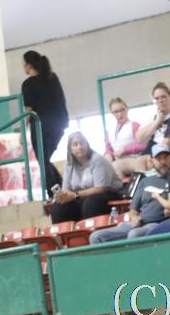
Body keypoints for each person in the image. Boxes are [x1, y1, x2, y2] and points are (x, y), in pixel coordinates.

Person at [90, 144, 170, 243]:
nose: (163, 162)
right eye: (159, 159)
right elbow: (133, 210)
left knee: (134, 234)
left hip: (159, 223)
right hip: (140, 223)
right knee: (96, 236)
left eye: (165, 158)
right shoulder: (145, 181)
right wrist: (134, 218)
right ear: (152, 161)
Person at [21, 50, 69, 194]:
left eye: (24, 64)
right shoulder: (52, 77)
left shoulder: (28, 84)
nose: (23, 67)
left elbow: (29, 111)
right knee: (45, 160)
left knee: (43, 161)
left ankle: (56, 193)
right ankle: (61, 189)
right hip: (59, 125)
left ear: (29, 65)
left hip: (41, 127)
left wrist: (23, 131)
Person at [50, 132, 122, 223]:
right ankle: (67, 232)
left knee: (91, 203)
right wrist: (62, 196)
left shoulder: (97, 159)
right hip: (81, 198)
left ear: (87, 145)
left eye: (82, 143)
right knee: (58, 207)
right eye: (75, 144)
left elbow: (102, 188)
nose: (79, 147)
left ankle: (93, 231)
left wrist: (75, 195)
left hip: (107, 195)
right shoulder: (69, 165)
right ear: (70, 149)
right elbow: (66, 189)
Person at [136, 82, 170, 170]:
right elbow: (139, 138)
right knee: (139, 161)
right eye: (157, 98)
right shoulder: (153, 117)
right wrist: (157, 122)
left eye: (163, 97)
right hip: (152, 147)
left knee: (149, 161)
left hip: (168, 148)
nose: (160, 101)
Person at [104, 98, 146, 178]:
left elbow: (144, 144)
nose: (120, 114)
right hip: (117, 161)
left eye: (122, 110)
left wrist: (125, 149)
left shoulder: (134, 125)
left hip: (134, 159)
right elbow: (108, 148)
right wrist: (108, 155)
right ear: (111, 113)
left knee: (115, 167)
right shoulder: (109, 131)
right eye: (116, 112)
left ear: (127, 109)